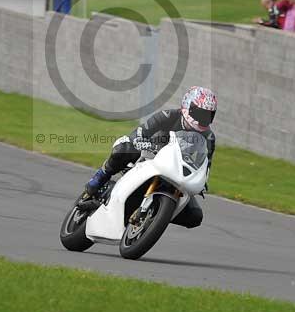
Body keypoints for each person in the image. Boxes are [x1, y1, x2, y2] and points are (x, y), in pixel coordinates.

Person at [83, 86, 217, 229]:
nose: (203, 119)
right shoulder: (168, 116)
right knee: (123, 149)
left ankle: (156, 214)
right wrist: (141, 142)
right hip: (150, 156)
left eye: (208, 115)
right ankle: (99, 179)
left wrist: (202, 181)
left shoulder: (208, 137)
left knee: (195, 217)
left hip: (176, 171)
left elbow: (205, 164)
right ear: (187, 106)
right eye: (200, 113)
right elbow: (140, 132)